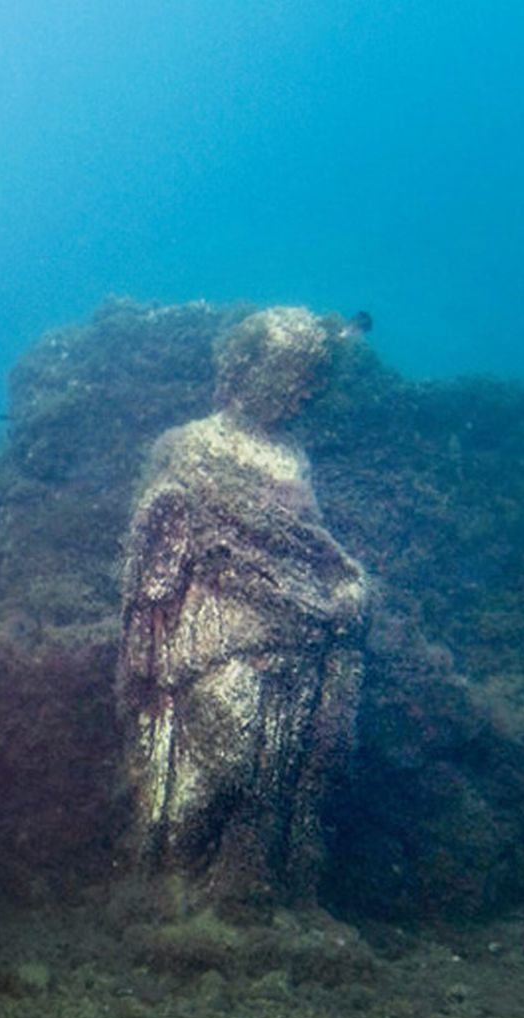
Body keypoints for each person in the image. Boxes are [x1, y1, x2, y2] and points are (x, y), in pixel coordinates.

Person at [117, 307, 369, 909]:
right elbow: (158, 533)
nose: (299, 389)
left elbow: (308, 542)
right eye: (288, 371)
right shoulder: (187, 444)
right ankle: (170, 889)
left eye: (309, 376)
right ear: (244, 366)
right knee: (221, 763)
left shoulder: (293, 457)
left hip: (296, 634)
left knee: (273, 774)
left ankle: (246, 899)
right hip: (215, 628)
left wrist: (345, 583)